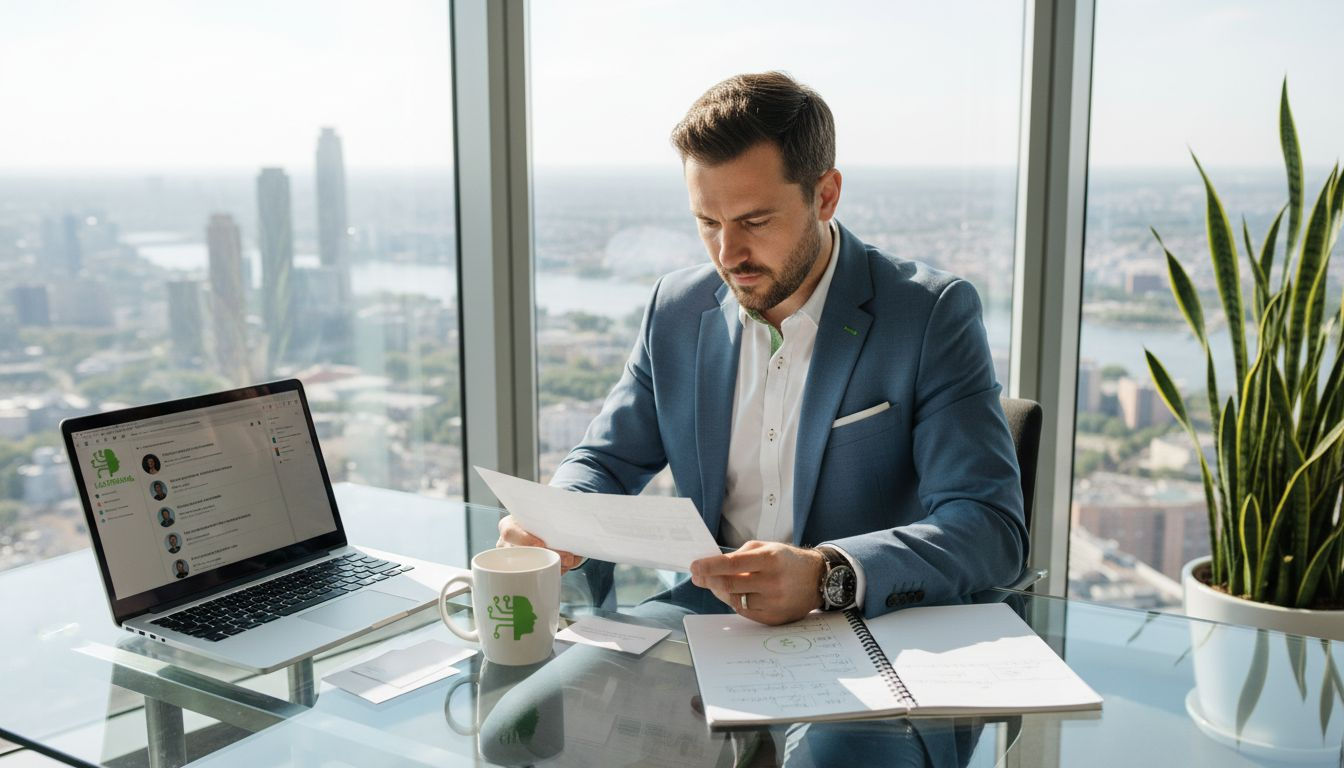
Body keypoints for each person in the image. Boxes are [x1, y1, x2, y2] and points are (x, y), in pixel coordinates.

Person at [498, 71, 1026, 626]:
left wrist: (828, 575)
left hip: (866, 630)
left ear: (825, 196)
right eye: (708, 222)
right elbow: (605, 461)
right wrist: (552, 519)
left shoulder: (929, 314)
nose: (728, 255)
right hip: (705, 622)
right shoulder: (675, 310)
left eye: (755, 221)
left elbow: (990, 527)